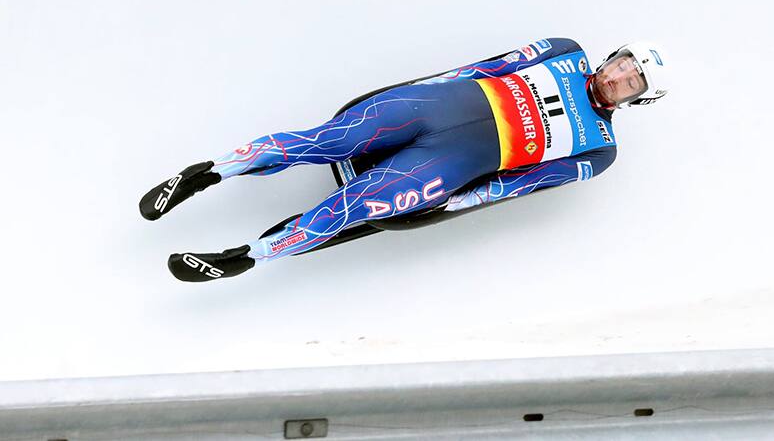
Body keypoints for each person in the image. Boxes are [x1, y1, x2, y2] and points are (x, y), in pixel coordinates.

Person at [139, 38, 669, 282]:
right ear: (612, 56)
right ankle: (207, 173)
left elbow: (522, 184)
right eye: (625, 63)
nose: (622, 76)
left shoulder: (599, 150)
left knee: (356, 206)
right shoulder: (565, 50)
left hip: (452, 162)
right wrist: (414, 91)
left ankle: (244, 258)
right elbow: (480, 68)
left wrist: (450, 202)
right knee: (325, 140)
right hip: (433, 107)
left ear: (636, 98)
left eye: (634, 80)